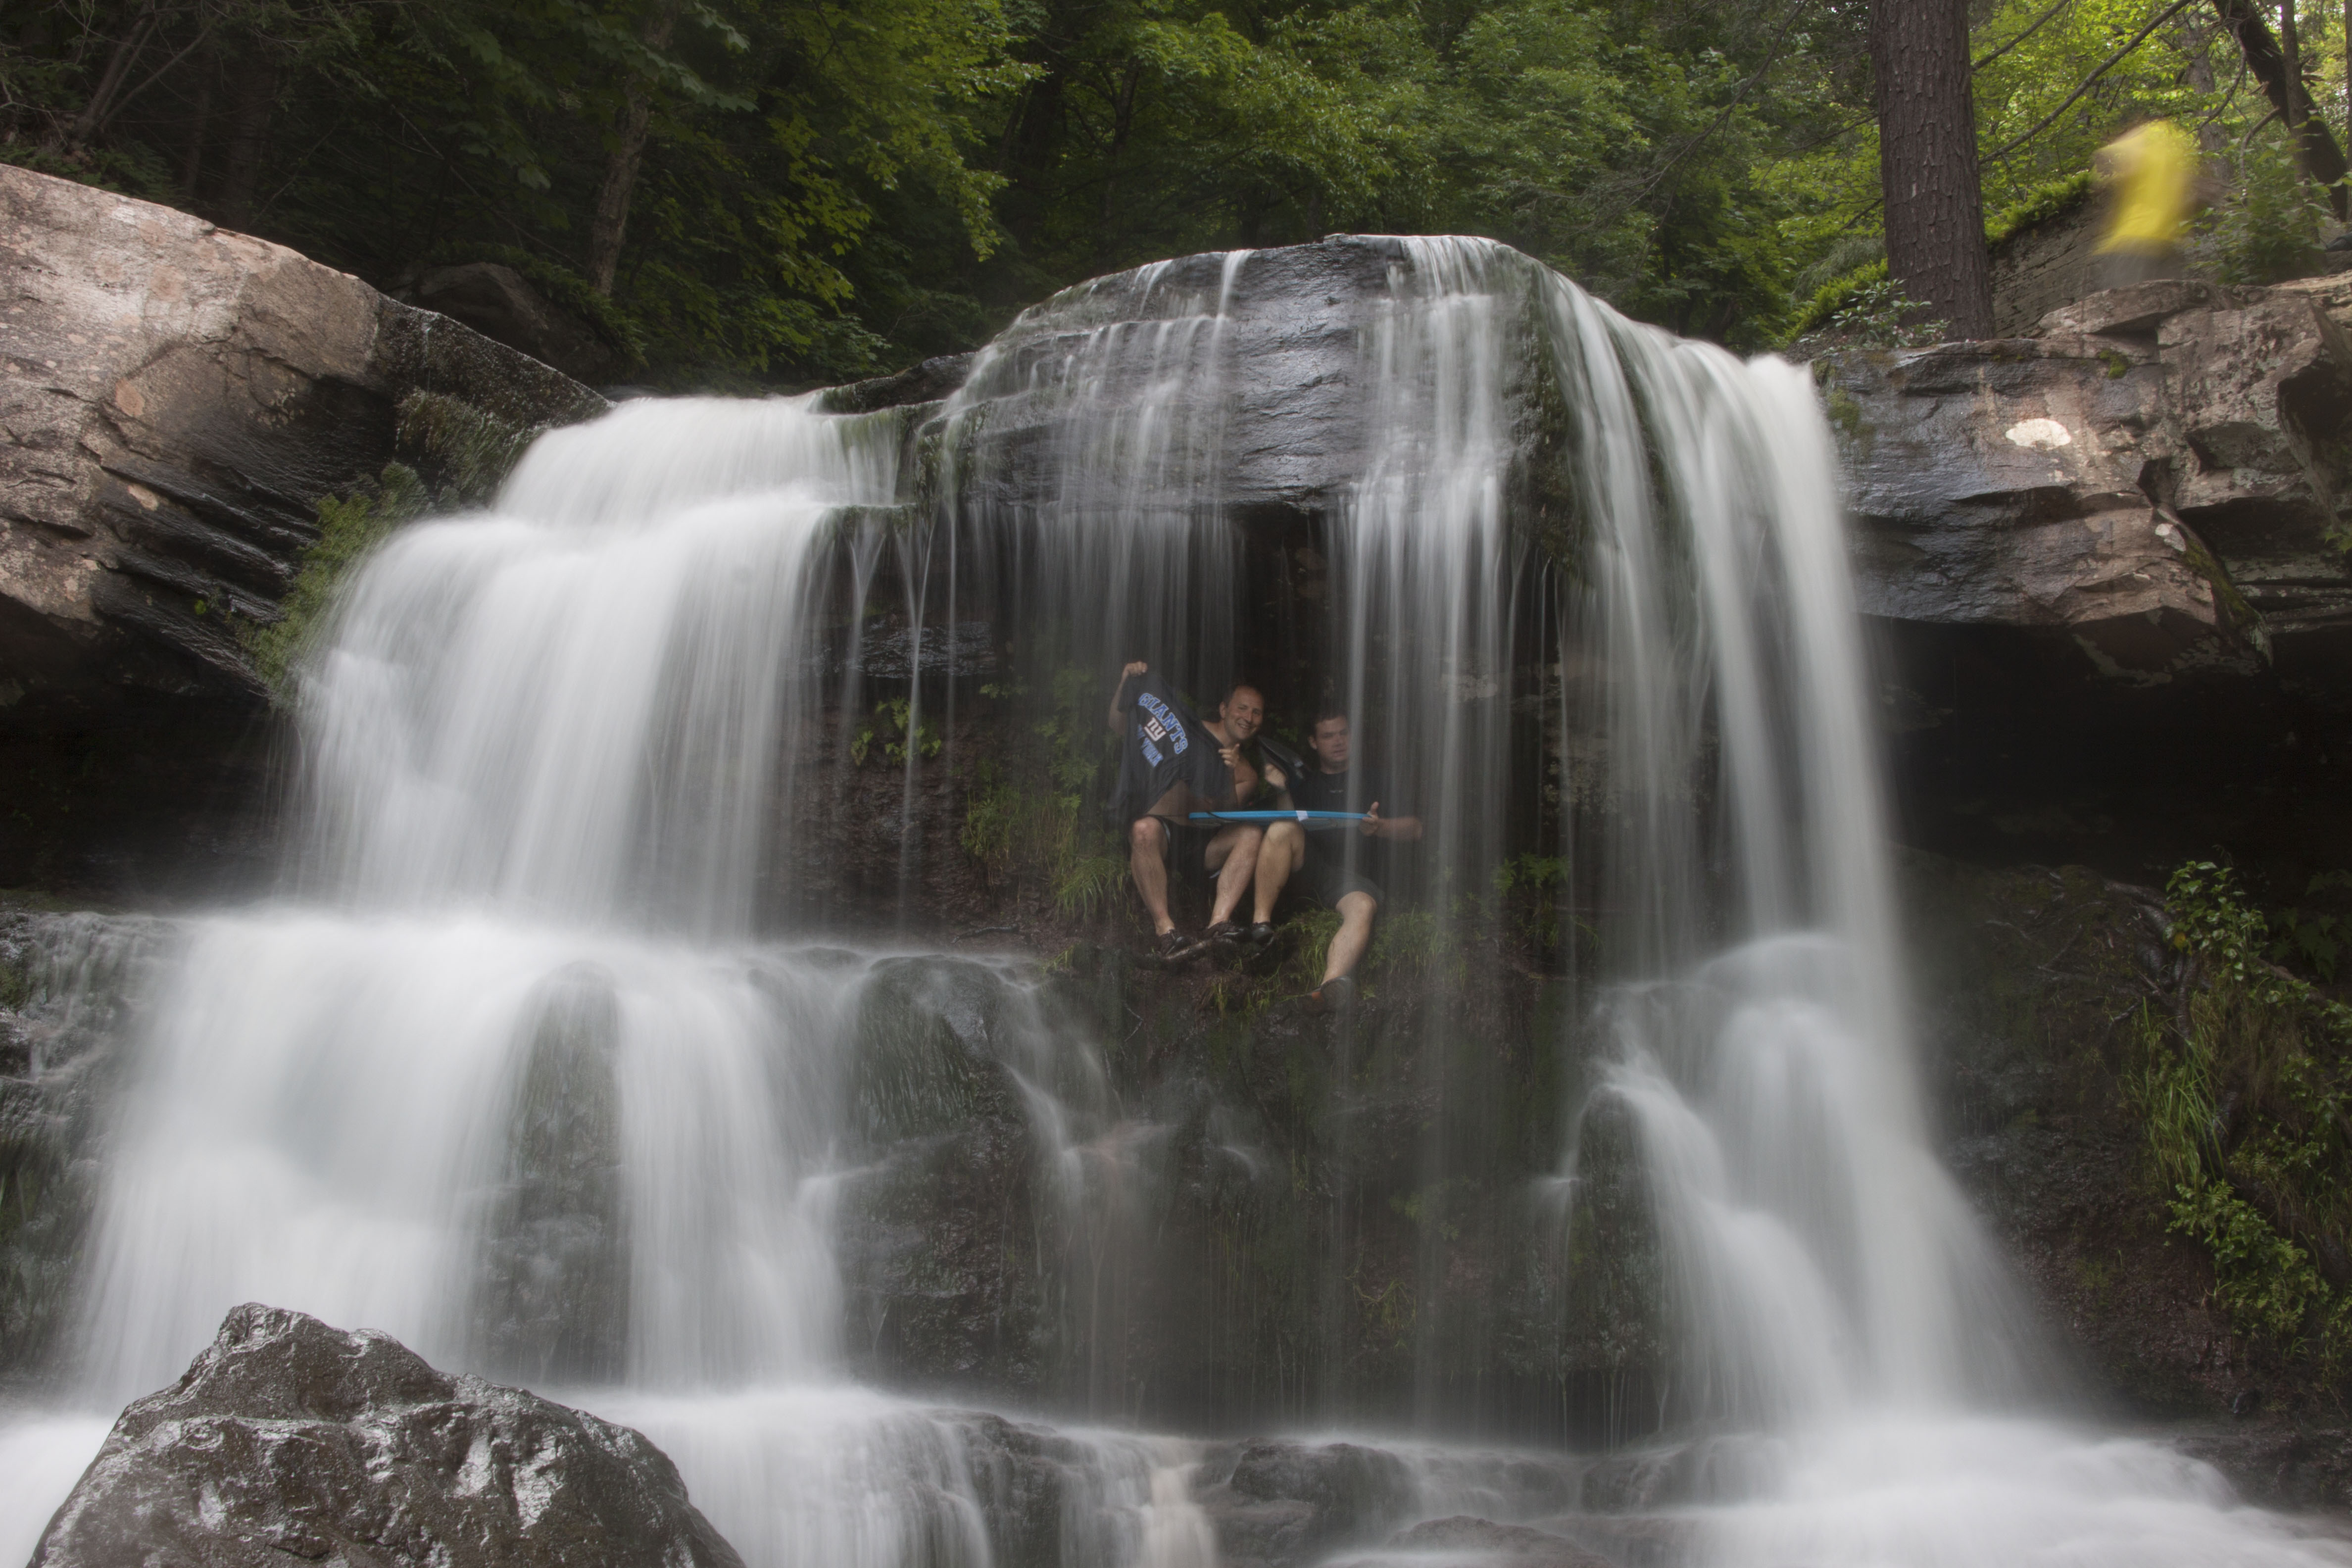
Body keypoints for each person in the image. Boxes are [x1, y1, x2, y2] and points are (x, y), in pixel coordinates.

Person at [1249, 705, 1421, 1011]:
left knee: (1363, 907)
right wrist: (1281, 790)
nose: (1339, 741)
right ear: (1314, 742)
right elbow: (1285, 829)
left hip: (1355, 882)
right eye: (1329, 736)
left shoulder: (1377, 780)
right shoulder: (1305, 785)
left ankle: (1328, 988)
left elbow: (1416, 828)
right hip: (1312, 872)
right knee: (1280, 827)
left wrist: (1381, 827)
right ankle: (1260, 924)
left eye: (1344, 733)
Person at [1105, 660, 1267, 958]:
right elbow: (1119, 726)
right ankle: (1166, 932)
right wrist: (1126, 682)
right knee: (1142, 829)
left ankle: (1219, 923)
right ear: (1224, 709)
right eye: (1243, 708)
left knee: (1251, 834)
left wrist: (1229, 774)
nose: (1248, 718)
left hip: (1204, 844)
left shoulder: (1247, 773)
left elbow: (1227, 814)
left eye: (1257, 713)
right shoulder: (1185, 729)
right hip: (1164, 830)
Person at [2094, 118, 2200, 290]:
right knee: (2171, 293)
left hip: (2135, 237)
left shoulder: (2138, 146)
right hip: (2166, 238)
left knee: (2128, 296)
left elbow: (2105, 156)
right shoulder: (2172, 161)